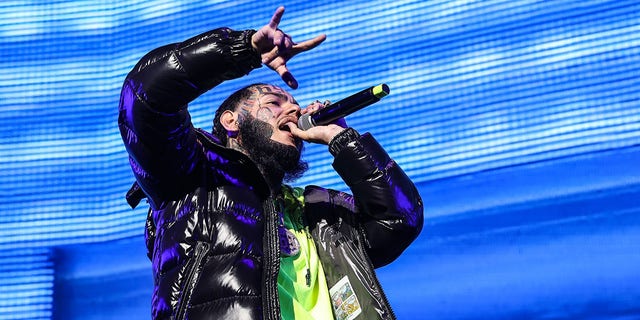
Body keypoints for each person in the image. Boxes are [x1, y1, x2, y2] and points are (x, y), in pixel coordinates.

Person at [118, 6, 423, 320]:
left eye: (295, 105)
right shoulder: (192, 177)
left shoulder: (317, 211)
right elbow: (144, 97)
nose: (293, 112)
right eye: (274, 103)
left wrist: (343, 141)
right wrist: (243, 49)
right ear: (231, 121)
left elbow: (399, 222)